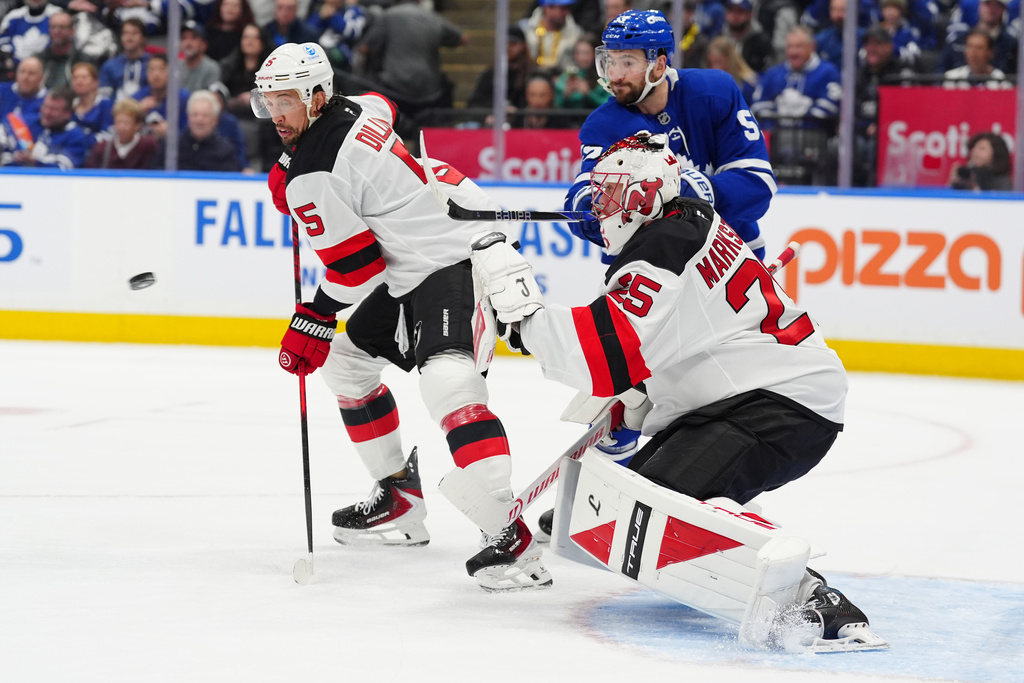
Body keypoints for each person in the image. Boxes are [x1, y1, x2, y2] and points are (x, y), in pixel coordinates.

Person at [469, 131, 885, 652]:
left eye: (609, 194)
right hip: (749, 397)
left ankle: (813, 597)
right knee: (624, 513)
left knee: (650, 512)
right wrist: (640, 393)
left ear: (642, 198)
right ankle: (708, 530)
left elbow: (604, 351)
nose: (600, 206)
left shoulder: (663, 246)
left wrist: (524, 319)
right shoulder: (683, 224)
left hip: (777, 404)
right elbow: (670, 338)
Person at [253, 41, 552, 591]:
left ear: (318, 97)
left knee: (448, 382)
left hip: (453, 258)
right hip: (411, 267)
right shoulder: (355, 109)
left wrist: (313, 318)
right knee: (345, 367)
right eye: (266, 101)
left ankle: (510, 535)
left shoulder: (312, 177)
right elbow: (382, 104)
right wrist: (294, 160)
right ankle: (399, 496)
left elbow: (357, 268)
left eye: (286, 100)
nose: (275, 114)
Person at [545, 9, 776, 538]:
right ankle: (615, 477)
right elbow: (584, 200)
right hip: (660, 276)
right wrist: (599, 206)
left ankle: (699, 485)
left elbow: (758, 186)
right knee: (638, 393)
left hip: (728, 266)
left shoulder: (714, 93)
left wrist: (692, 193)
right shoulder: (604, 124)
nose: (614, 73)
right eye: (609, 61)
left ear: (659, 61)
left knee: (721, 393)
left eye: (626, 61)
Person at [853, 24, 914, 187]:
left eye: (877, 44)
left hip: (890, 133)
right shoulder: (858, 74)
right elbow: (851, 109)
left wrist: (881, 127)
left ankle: (872, 193)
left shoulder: (900, 73)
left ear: (889, 46)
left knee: (877, 147)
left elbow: (906, 110)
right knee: (840, 145)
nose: (872, 49)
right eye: (869, 44)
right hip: (860, 132)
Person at [751, 25, 841, 131]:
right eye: (789, 47)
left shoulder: (828, 72)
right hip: (777, 142)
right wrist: (776, 130)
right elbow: (758, 106)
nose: (793, 52)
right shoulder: (773, 73)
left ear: (812, 46)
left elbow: (828, 108)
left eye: (798, 47)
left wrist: (797, 131)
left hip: (815, 142)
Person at [151, 89, 241, 171]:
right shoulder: (171, 146)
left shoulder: (225, 152)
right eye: (195, 114)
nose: (199, 120)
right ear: (188, 117)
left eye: (205, 115)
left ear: (215, 120)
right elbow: (155, 175)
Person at [0, 86, 90, 168]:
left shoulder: (75, 136)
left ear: (67, 113)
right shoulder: (28, 122)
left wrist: (35, 163)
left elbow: (64, 169)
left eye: (54, 109)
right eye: (46, 106)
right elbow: (5, 130)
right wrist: (10, 157)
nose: (47, 113)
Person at [466, 24, 532, 123]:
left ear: (523, 46)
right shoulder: (490, 75)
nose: (507, 47)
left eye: (513, 43)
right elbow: (474, 105)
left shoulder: (531, 74)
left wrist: (518, 113)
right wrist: (487, 116)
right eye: (504, 43)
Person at [82, 96, 158, 168]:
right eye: (118, 122)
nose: (122, 127)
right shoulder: (102, 148)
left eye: (126, 123)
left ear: (137, 125)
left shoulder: (149, 146)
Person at [133, 53, 192, 139]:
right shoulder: (137, 98)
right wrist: (137, 112)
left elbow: (190, 134)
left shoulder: (184, 98)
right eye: (151, 69)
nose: (156, 74)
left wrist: (171, 133)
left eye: (162, 69)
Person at [519, 0, 584, 72]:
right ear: (548, 8)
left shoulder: (576, 34)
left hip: (562, 79)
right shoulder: (526, 29)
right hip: (529, 77)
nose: (567, 13)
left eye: (568, 8)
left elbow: (575, 66)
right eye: (563, 9)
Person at [35, 10, 93, 90]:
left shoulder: (83, 61)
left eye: (62, 27)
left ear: (72, 31)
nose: (57, 31)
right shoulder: (39, 59)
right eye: (53, 27)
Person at [553, 34, 609, 111]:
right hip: (569, 121)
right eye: (578, 53)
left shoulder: (605, 77)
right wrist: (565, 95)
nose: (581, 57)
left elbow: (608, 105)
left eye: (586, 53)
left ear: (596, 55)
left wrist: (588, 93)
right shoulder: (567, 76)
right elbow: (556, 106)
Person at [941, 29, 1012, 89]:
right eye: (970, 47)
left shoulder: (1002, 83)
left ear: (990, 52)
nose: (973, 53)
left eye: (979, 48)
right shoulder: (952, 78)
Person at [98, 18, 149, 101]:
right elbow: (105, 98)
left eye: (134, 33)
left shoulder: (152, 64)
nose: (129, 37)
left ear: (143, 38)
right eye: (125, 33)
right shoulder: (109, 66)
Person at [0, 0, 62, 64]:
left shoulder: (57, 15)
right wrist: (7, 58)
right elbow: (3, 42)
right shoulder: (13, 17)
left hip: (48, 65)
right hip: (15, 67)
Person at [704, 35, 758, 106]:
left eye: (719, 62)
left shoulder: (748, 83)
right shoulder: (707, 85)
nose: (715, 68)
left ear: (730, 60)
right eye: (711, 63)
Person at [721, 0, 773, 74]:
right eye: (731, 11)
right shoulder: (720, 38)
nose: (734, 16)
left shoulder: (761, 43)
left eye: (740, 11)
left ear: (750, 14)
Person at [69, 61, 112, 146]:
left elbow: (107, 137)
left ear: (95, 82)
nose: (79, 81)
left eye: (84, 77)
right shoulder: (70, 105)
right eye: (75, 78)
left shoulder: (105, 105)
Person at [0, 55, 47, 130]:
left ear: (41, 77)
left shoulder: (48, 101)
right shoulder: (2, 90)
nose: (25, 77)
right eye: (22, 72)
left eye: (31, 73)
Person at [179, 20, 223, 93]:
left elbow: (210, 98)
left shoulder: (212, 68)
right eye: (184, 38)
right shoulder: (175, 67)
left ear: (204, 44)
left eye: (194, 38)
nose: (188, 43)